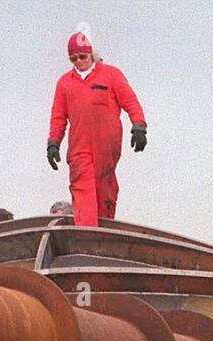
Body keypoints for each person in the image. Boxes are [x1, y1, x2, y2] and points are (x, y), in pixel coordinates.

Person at [46, 32, 147, 227]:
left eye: (82, 56)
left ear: (91, 54)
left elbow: (131, 102)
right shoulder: (65, 83)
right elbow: (58, 116)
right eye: (73, 58)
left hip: (107, 149)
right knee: (83, 193)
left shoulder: (111, 75)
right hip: (79, 149)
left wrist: (139, 126)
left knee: (106, 194)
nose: (78, 61)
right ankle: (85, 237)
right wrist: (53, 142)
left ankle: (104, 236)